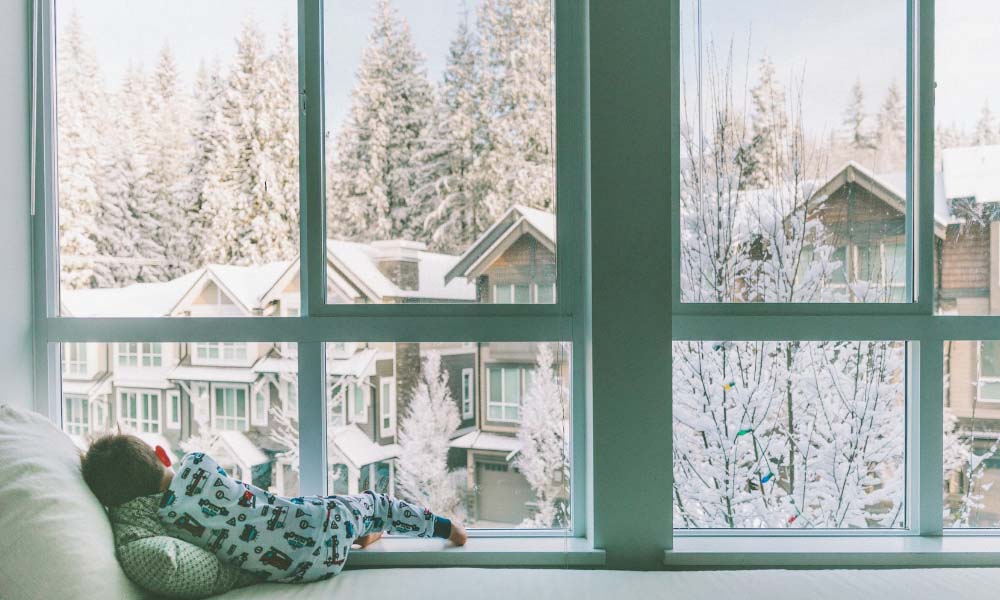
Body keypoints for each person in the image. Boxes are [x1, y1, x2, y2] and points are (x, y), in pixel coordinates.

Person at [82, 433, 467, 584]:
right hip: (317, 523)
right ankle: (444, 527)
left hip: (299, 570)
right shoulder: (197, 462)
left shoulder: (165, 524)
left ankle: (361, 536)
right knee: (374, 503)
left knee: (309, 524)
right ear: (161, 455)